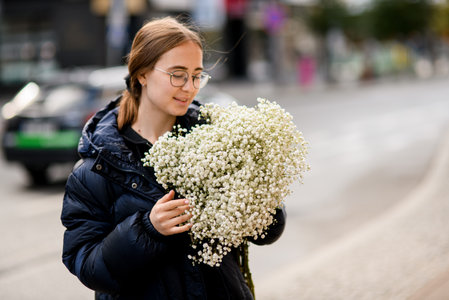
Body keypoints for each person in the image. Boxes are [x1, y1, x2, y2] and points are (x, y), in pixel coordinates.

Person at [61, 16, 286, 300]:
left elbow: (268, 231)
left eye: (197, 75)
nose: (190, 87)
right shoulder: (95, 170)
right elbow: (87, 265)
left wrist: (258, 206)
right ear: (141, 73)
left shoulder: (220, 141)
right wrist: (147, 229)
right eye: (178, 74)